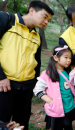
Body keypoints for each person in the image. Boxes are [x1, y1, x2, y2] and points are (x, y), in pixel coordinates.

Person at [0, 1, 54, 130]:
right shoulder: (6, 19)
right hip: (5, 85)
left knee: (22, 123)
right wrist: (1, 76)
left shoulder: (37, 36)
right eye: (45, 16)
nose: (46, 22)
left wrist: (34, 83)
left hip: (27, 86)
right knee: (3, 122)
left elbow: (37, 61)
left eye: (49, 20)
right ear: (31, 10)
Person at [33, 45, 75, 130]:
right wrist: (51, 102)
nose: (69, 60)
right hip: (55, 110)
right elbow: (37, 90)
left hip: (68, 108)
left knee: (68, 126)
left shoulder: (67, 72)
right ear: (55, 58)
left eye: (70, 58)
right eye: (66, 57)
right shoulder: (47, 73)